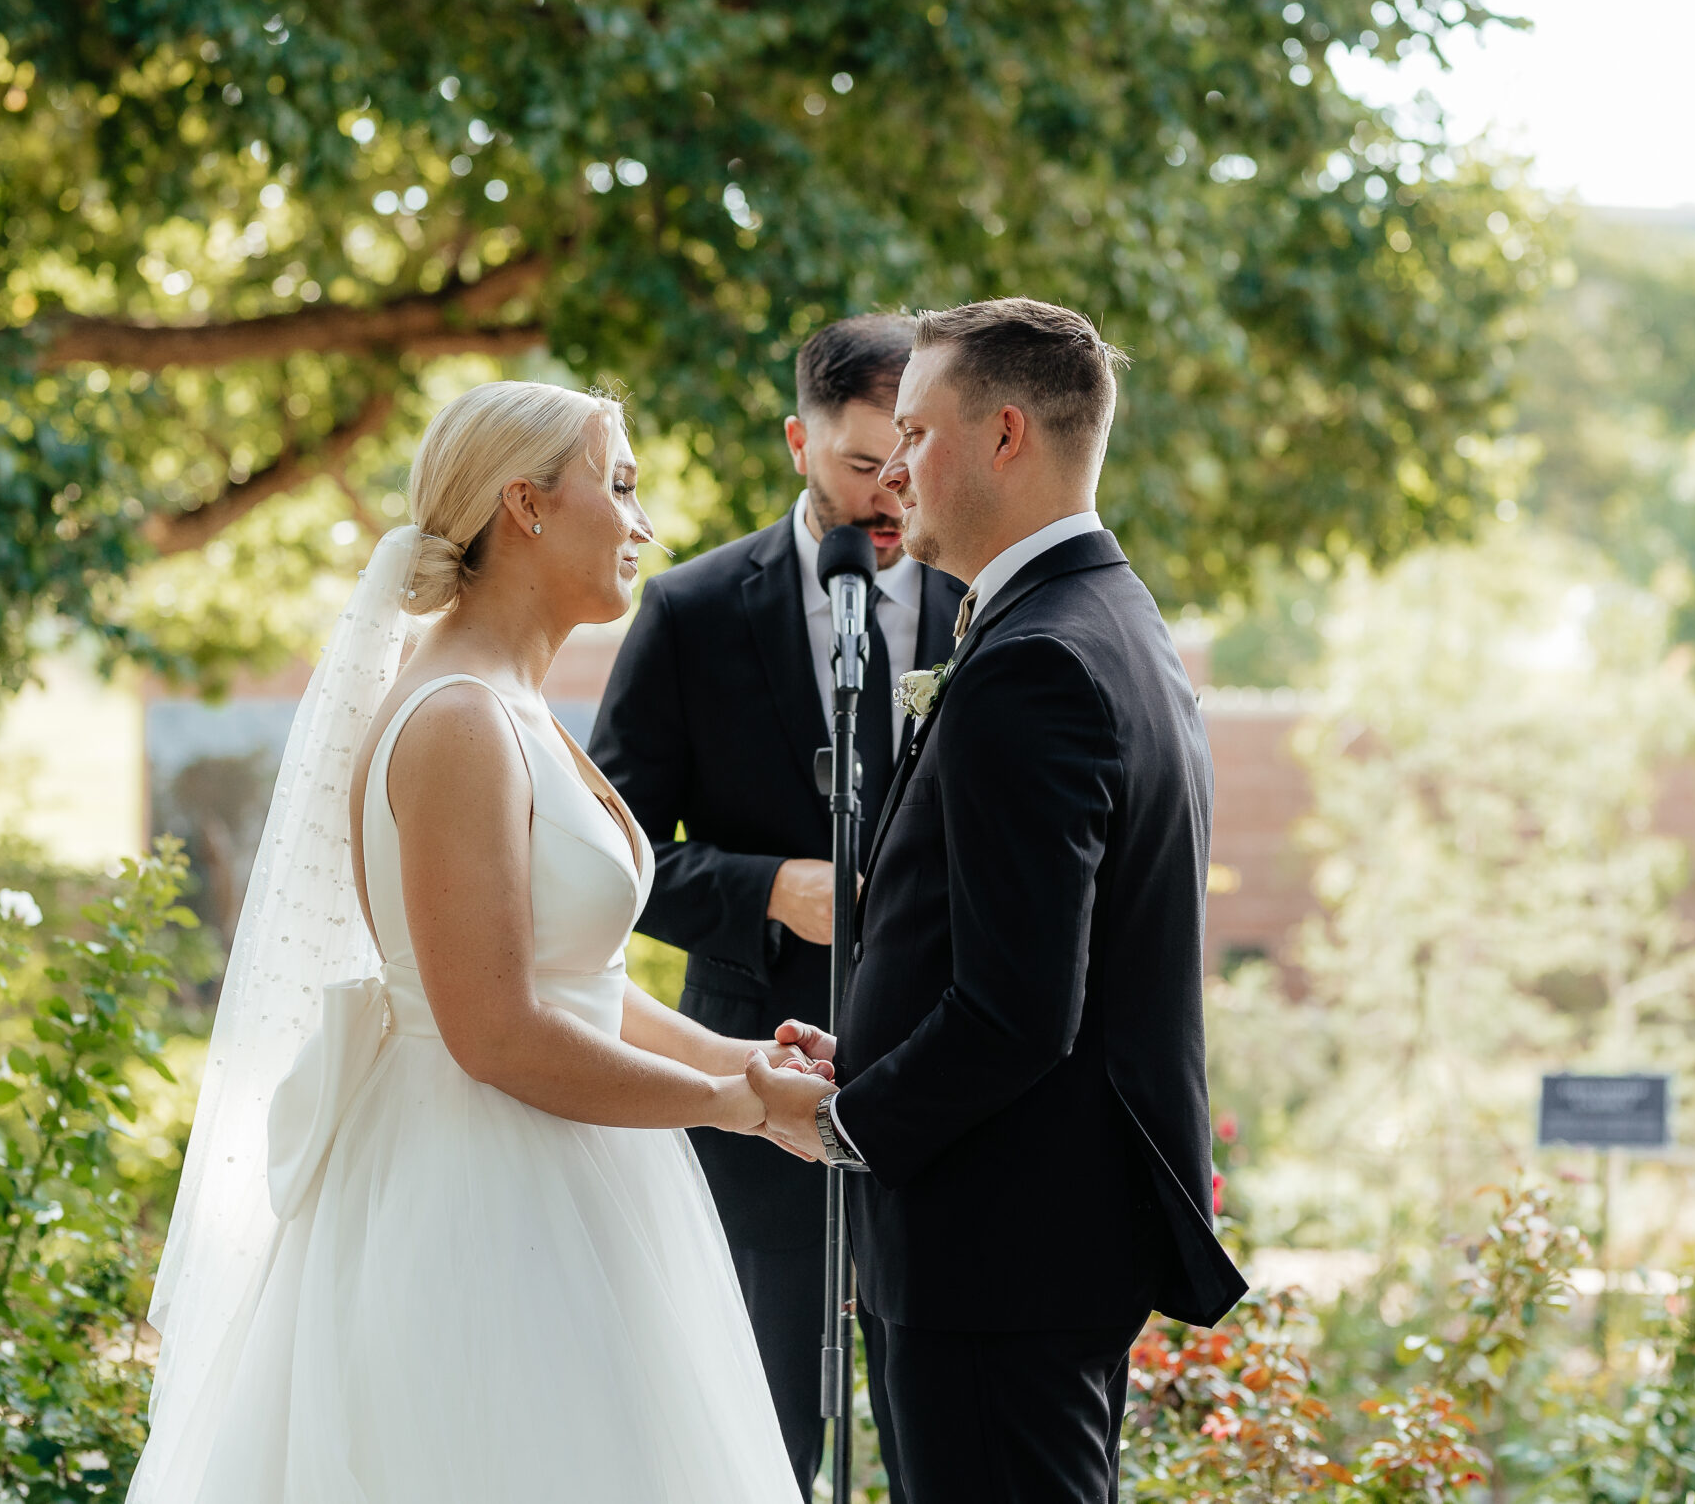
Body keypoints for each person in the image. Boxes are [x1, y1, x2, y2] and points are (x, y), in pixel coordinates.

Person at [130, 381, 805, 1503]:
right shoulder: (454, 722)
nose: (643, 525)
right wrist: (735, 1110)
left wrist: (741, 1062)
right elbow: (492, 1030)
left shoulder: (512, 703)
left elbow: (575, 983)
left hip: (577, 1175)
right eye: (621, 485)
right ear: (528, 507)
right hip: (481, 1198)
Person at [750, 299, 1252, 1504]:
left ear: (1006, 435)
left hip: (995, 1252)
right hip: (1034, 1240)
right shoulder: (1108, 621)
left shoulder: (1037, 659)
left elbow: (1022, 1008)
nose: (894, 467)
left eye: (916, 432)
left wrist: (842, 1126)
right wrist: (861, 1050)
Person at [588, 314, 966, 1494]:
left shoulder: (984, 600)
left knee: (940, 1439)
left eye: (904, 459)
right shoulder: (692, 613)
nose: (888, 493)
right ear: (799, 440)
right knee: (755, 1434)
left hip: (950, 1085)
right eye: (860, 465)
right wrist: (769, 892)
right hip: (756, 1086)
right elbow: (617, 850)